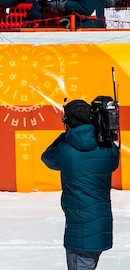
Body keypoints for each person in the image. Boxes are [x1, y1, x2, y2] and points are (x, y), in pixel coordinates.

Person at [41, 99, 119, 270]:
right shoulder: (106, 147)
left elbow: (47, 158)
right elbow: (113, 162)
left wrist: (64, 136)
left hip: (80, 231)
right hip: (101, 224)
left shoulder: (66, 149)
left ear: (67, 122)